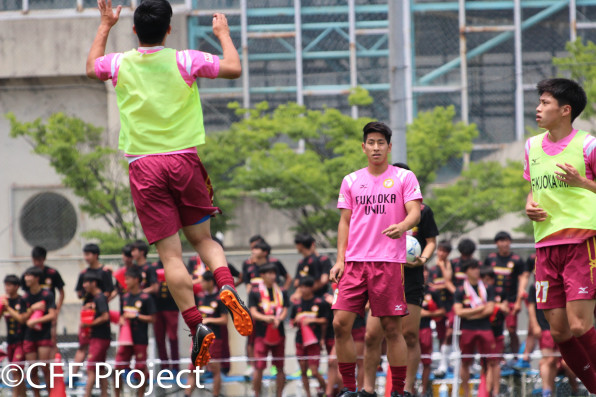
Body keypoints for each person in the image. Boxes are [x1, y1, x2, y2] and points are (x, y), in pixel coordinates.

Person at [86, 0, 251, 366]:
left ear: (134, 30)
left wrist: (104, 25)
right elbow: (233, 68)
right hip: (184, 161)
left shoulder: (119, 62)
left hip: (144, 167)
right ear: (169, 29)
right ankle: (225, 284)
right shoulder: (185, 59)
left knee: (170, 255)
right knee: (205, 240)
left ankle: (197, 327)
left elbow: (90, 67)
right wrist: (223, 34)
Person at [330, 121, 422, 397]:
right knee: (339, 324)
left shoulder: (404, 178)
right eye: (371, 142)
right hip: (355, 262)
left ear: (389, 147)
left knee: (392, 329)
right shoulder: (351, 180)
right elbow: (344, 222)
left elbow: (415, 212)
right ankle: (348, 388)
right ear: (363, 147)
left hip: (388, 263)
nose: (376, 147)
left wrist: (403, 226)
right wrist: (339, 260)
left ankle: (398, 391)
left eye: (381, 142)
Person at [524, 78, 596, 392]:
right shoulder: (531, 147)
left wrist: (584, 183)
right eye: (539, 102)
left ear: (565, 110)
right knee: (560, 332)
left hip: (581, 241)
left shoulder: (590, 146)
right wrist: (529, 205)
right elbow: (533, 190)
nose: (538, 109)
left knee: (580, 324)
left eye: (545, 103)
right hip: (545, 246)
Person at [364, 161, 438, 397]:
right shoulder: (376, 208)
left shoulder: (422, 211)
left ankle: (405, 389)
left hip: (411, 279)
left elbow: (431, 241)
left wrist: (422, 260)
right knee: (372, 334)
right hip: (381, 277)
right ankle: (368, 388)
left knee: (409, 335)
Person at [453, 260, 498, 397]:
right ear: (466, 271)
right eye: (472, 268)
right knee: (465, 361)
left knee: (491, 361)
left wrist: (470, 314)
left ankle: (489, 392)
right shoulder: (460, 290)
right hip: (467, 329)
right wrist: (479, 310)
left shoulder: (487, 287)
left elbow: (490, 309)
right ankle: (466, 394)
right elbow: (458, 312)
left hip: (485, 328)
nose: (476, 271)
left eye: (477, 268)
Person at [114, 266, 156, 397]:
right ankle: (117, 395)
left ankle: (141, 394)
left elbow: (153, 318)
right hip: (126, 340)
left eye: (128, 279)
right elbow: (121, 315)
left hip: (140, 338)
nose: (125, 282)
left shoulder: (145, 298)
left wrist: (137, 316)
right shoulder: (124, 297)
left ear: (137, 280)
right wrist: (121, 320)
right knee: (118, 368)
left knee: (141, 368)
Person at [248, 263, 289, 397]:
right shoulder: (254, 292)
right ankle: (257, 394)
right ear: (262, 275)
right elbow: (253, 312)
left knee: (280, 367)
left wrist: (278, 319)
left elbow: (285, 309)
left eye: (274, 273)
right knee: (259, 366)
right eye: (269, 273)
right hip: (261, 333)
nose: (272, 276)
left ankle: (279, 394)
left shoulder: (281, 291)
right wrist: (266, 318)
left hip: (279, 332)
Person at [74, 244, 116, 373]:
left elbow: (111, 291)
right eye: (85, 254)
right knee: (83, 344)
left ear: (95, 255)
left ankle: (97, 376)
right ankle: (73, 374)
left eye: (88, 254)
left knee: (98, 351)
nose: (86, 257)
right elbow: (79, 293)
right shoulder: (84, 273)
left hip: (100, 313)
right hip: (87, 313)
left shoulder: (104, 272)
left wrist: (100, 303)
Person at [483, 231, 527, 356]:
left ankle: (515, 357)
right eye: (501, 241)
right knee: (495, 329)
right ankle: (498, 358)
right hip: (493, 301)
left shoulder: (516, 260)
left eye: (507, 240)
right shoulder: (491, 258)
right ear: (496, 243)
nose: (504, 243)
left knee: (512, 329)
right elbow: (485, 279)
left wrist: (519, 301)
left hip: (511, 300)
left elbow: (522, 280)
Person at [186, 271, 228, 397]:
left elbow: (224, 320)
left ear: (210, 282)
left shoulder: (220, 298)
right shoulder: (200, 297)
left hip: (214, 339)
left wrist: (209, 320)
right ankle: (187, 394)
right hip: (198, 338)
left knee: (215, 369)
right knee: (192, 369)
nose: (201, 284)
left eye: (203, 281)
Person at [289, 276, 329, 397]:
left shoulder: (320, 302)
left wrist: (312, 321)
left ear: (312, 288)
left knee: (315, 372)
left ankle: (328, 392)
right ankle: (308, 394)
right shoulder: (297, 304)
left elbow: (326, 320)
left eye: (307, 286)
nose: (304, 289)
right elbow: (292, 322)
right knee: (303, 371)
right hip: (300, 340)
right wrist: (296, 321)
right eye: (302, 286)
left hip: (314, 342)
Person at [20, 246, 65, 356]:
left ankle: (54, 365)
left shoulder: (52, 273)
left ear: (44, 259)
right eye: (34, 260)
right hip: (32, 313)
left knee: (52, 338)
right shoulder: (28, 275)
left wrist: (57, 310)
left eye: (39, 260)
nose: (36, 263)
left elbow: (61, 293)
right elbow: (25, 295)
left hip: (48, 311)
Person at [22, 266, 57, 397]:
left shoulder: (47, 294)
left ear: (36, 278)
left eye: (29, 275)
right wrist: (32, 309)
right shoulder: (25, 297)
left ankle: (51, 394)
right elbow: (22, 318)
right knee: (32, 370)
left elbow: (52, 315)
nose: (26, 278)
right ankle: (36, 395)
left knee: (45, 368)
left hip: (44, 336)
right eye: (25, 275)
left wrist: (36, 321)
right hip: (29, 337)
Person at [81, 273, 111, 397]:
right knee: (100, 369)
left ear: (94, 283)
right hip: (100, 337)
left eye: (86, 282)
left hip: (100, 338)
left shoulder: (100, 298)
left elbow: (105, 316)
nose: (84, 285)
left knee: (91, 368)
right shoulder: (94, 299)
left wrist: (90, 324)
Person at [428, 240, 455, 378]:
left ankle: (445, 363)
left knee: (450, 333)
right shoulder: (432, 270)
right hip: (438, 307)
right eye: (440, 250)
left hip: (451, 306)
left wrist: (443, 269)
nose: (441, 253)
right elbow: (431, 286)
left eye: (444, 251)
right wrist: (441, 286)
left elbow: (449, 282)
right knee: (441, 335)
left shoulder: (451, 266)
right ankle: (442, 364)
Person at [481, 266, 508, 397]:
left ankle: (495, 391)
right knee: (487, 363)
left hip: (498, 332)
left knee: (494, 362)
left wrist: (497, 306)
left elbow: (507, 309)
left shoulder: (500, 292)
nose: (486, 282)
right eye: (484, 279)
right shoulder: (480, 292)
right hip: (485, 331)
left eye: (488, 279)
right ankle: (488, 391)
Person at [419, 269, 445, 397]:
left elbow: (442, 311)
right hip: (408, 330)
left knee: (426, 361)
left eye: (425, 273)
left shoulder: (432, 291)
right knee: (406, 361)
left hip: (425, 329)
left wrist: (426, 314)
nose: (423, 275)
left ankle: (423, 391)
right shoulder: (406, 288)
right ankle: (409, 391)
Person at [151, 259, 180, 372]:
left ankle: (175, 366)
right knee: (159, 338)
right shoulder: (153, 267)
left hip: (172, 307)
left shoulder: (176, 265)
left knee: (172, 337)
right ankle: (164, 367)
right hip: (157, 307)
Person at [2, 275, 27, 397]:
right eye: (5, 285)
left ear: (17, 286)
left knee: (16, 369)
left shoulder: (21, 301)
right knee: (15, 372)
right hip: (10, 341)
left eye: (9, 285)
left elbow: (22, 319)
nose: (7, 288)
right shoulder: (5, 302)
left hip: (21, 341)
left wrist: (8, 308)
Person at [291, 233, 330, 302]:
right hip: (305, 300)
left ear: (300, 245)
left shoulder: (320, 260)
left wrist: (301, 292)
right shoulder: (301, 262)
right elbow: (296, 282)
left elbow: (322, 280)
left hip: (320, 298)